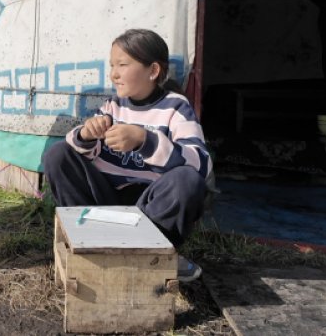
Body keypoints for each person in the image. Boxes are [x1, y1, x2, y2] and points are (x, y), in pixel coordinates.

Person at [41, 28, 212, 281]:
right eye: (112, 65)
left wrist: (145, 140)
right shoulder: (113, 106)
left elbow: (200, 163)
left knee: (187, 181)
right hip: (106, 204)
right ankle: (93, 242)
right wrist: (87, 134)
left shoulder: (176, 107)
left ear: (153, 71)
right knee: (58, 155)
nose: (114, 74)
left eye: (122, 64)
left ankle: (156, 254)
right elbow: (82, 150)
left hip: (153, 208)